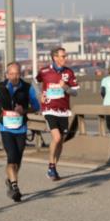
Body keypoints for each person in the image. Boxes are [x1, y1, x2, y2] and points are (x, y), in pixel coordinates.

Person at [0, 62, 40, 202]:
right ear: (7, 74)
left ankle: (10, 180)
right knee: (11, 158)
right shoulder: (0, 87)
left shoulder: (27, 88)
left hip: (21, 128)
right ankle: (15, 187)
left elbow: (36, 106)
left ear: (21, 74)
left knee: (17, 161)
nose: (14, 76)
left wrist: (24, 110)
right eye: (11, 74)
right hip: (5, 128)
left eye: (17, 74)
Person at [35, 47, 79, 181]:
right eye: (62, 56)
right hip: (49, 109)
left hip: (63, 110)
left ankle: (52, 168)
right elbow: (34, 82)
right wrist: (39, 95)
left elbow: (75, 92)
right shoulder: (44, 71)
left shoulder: (69, 72)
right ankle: (51, 165)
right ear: (55, 57)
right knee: (57, 138)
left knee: (61, 142)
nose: (65, 58)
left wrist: (65, 87)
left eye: (65, 56)